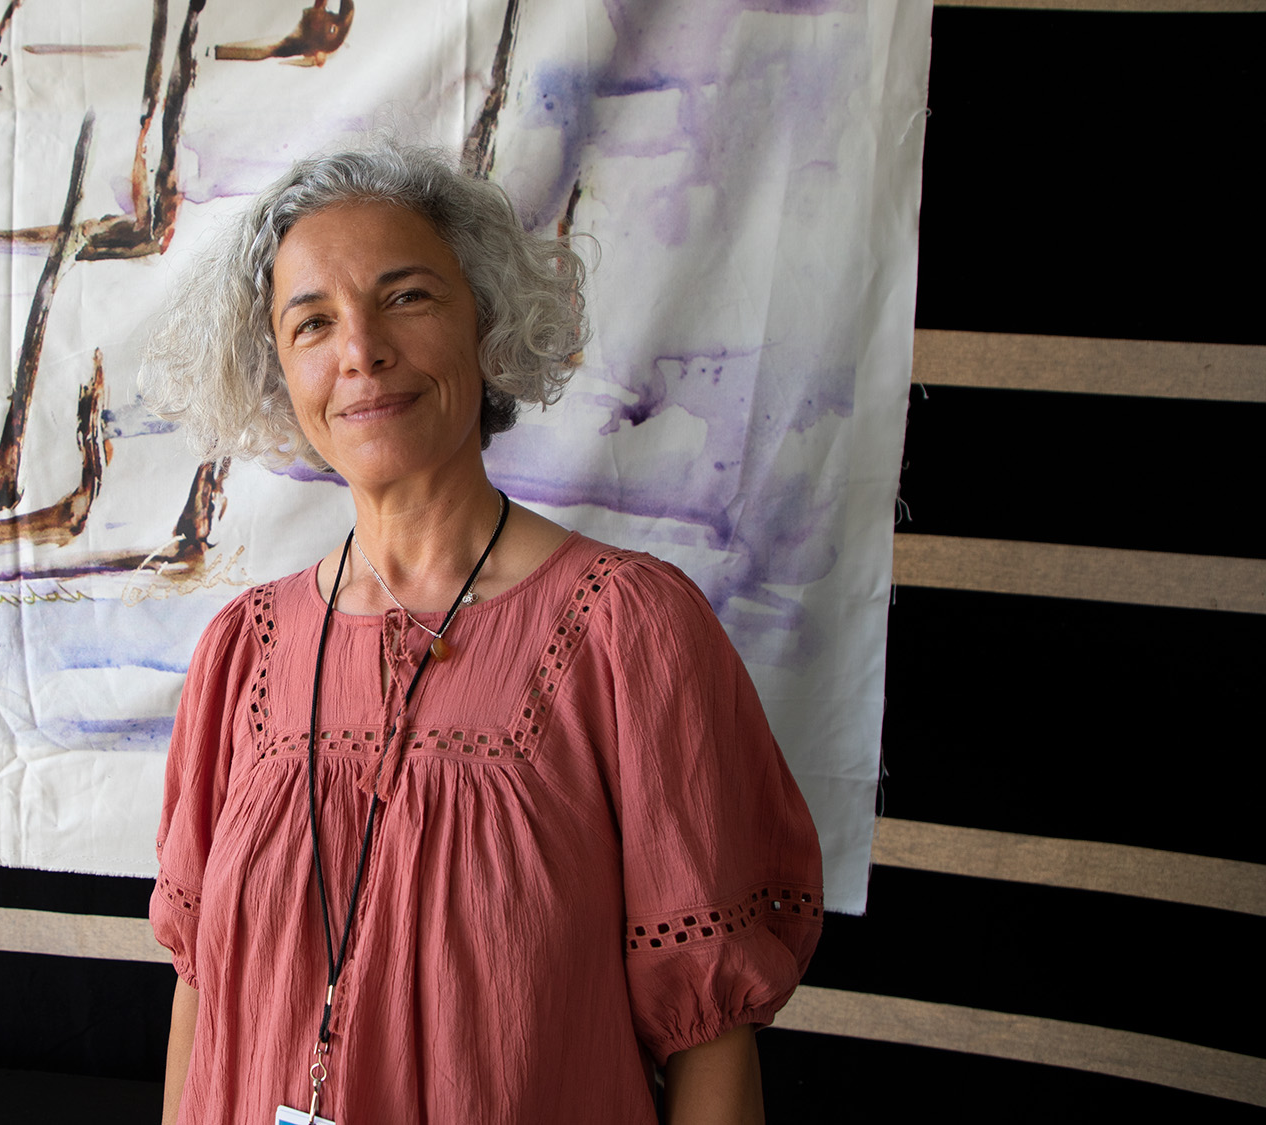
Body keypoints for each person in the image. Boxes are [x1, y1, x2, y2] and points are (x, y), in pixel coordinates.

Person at [140, 143, 823, 1125]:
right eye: (312, 323)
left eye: (406, 297)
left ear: (485, 321)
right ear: (276, 369)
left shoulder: (628, 631)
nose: (361, 350)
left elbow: (706, 1031)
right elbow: (199, 994)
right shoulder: (241, 652)